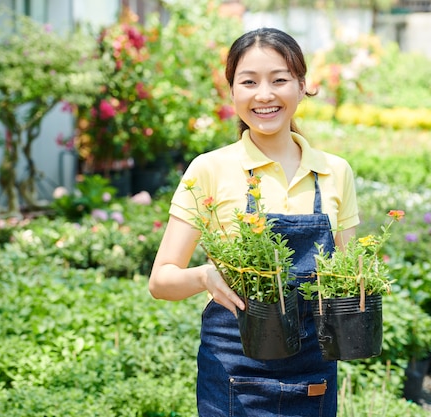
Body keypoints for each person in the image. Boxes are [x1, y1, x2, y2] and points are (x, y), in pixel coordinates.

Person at [148, 27, 359, 416]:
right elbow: (160, 281)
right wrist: (203, 277)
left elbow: (347, 278)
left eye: (279, 80)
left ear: (301, 85)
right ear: (232, 92)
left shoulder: (334, 171)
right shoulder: (210, 169)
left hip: (312, 370)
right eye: (249, 81)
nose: (264, 94)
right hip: (232, 373)